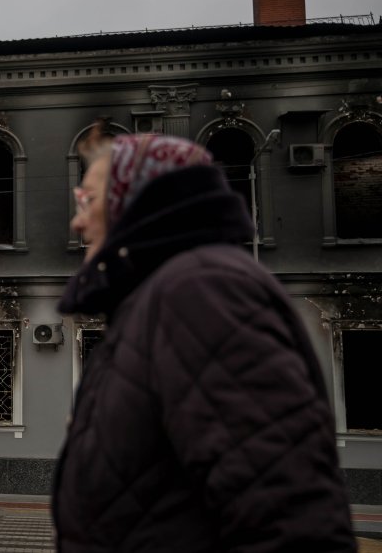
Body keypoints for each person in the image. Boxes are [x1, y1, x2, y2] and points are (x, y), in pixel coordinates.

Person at [52, 131, 356, 552]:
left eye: (88, 199)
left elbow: (291, 522)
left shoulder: (200, 290)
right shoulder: (153, 300)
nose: (76, 221)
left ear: (134, 200)